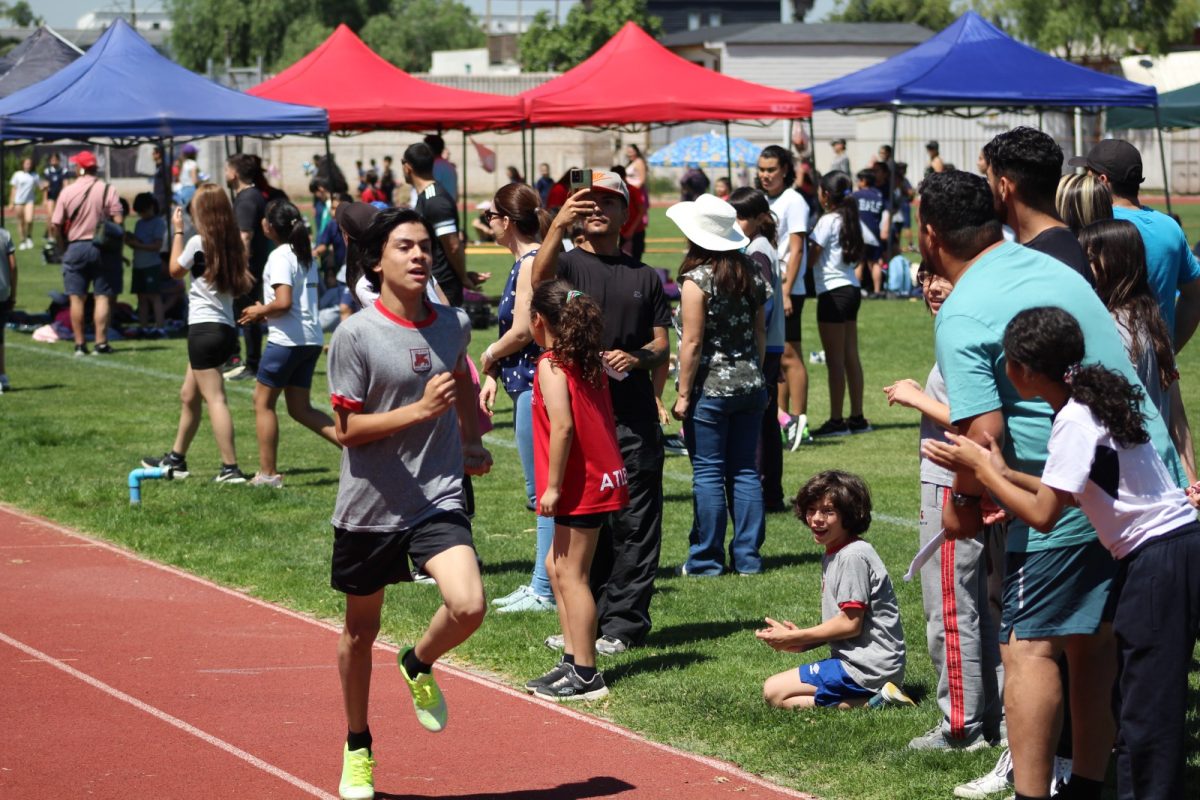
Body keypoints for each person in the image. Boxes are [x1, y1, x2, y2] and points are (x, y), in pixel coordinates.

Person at [918, 169, 1185, 800]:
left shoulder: (962, 309)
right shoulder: (1056, 268)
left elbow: (982, 435)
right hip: (1140, 493)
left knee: (1028, 648)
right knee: (1092, 645)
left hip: (1063, 503)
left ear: (930, 236)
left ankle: (1031, 792)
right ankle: (1088, 784)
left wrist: (964, 502)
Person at [327, 206, 491, 800]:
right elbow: (346, 430)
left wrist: (469, 437)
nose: (420, 255)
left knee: (468, 604)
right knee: (359, 633)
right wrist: (419, 411)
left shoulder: (453, 323)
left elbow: (461, 379)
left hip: (436, 497)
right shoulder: (355, 335)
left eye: (426, 245)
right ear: (376, 261)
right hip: (370, 506)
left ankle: (418, 662)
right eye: (404, 246)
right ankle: (357, 744)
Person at [531, 170, 671, 654]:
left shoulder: (645, 276)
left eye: (609, 202)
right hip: (584, 419)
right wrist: (556, 225)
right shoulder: (566, 264)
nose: (597, 209)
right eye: (588, 201)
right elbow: (538, 284)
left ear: (626, 214)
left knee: (636, 525)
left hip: (633, 419)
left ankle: (623, 626)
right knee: (589, 528)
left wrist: (637, 358)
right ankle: (582, 625)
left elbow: (661, 345)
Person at [883, 267, 1004, 752]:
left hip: (955, 486)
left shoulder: (961, 333)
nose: (931, 287)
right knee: (988, 608)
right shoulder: (982, 323)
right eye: (925, 277)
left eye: (942, 276)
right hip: (987, 483)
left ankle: (960, 727)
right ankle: (997, 721)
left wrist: (915, 397)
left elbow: (972, 421)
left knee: (951, 610)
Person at [524, 279, 630, 700]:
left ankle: (586, 674)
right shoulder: (584, 360)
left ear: (538, 320)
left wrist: (551, 487)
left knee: (572, 575)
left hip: (582, 482)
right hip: (592, 478)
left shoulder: (552, 364)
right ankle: (571, 659)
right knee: (557, 568)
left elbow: (564, 427)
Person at [668, 192, 769, 575]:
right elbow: (760, 331)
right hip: (751, 384)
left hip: (710, 389)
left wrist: (682, 394)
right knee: (744, 470)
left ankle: (706, 559)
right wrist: (756, 372)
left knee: (708, 472)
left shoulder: (697, 280)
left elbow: (692, 343)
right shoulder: (751, 271)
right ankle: (747, 558)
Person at [758, 470, 911, 710]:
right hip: (866, 664)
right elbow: (844, 624)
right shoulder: (837, 551)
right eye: (811, 509)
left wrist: (797, 636)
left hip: (867, 667)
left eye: (828, 511)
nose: (816, 519)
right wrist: (802, 643)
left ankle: (878, 700)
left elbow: (850, 624)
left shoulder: (852, 556)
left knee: (773, 691)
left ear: (849, 515)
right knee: (779, 696)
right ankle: (881, 698)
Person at [478, 184, 557, 614]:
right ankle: (541, 583)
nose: (486, 223)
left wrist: (489, 354)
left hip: (535, 387)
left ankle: (544, 589)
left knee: (542, 492)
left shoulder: (530, 263)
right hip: (525, 384)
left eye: (490, 216)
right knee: (541, 491)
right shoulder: (529, 260)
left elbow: (524, 330)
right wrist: (494, 372)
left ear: (506, 221)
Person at [142, 183, 254, 483]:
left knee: (215, 398)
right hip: (225, 329)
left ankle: (230, 468)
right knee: (188, 395)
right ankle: (176, 459)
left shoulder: (197, 242)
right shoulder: (234, 244)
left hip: (203, 329)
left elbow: (174, 271)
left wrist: (178, 232)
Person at [1078, 219, 1198, 487]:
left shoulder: (1112, 331)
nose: (1083, 269)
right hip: (1161, 472)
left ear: (1111, 264)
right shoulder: (1150, 319)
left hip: (1135, 479)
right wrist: (1190, 480)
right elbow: (1176, 410)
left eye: (1089, 260)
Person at [237, 199, 340, 488]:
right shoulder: (303, 253)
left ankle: (268, 475)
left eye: (264, 218)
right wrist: (265, 312)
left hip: (287, 342)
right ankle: (357, 448)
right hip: (309, 339)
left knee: (262, 402)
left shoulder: (280, 256)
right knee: (300, 409)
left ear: (270, 227)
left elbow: (283, 302)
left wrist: (260, 310)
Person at [1069, 138, 1200, 352]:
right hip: (1158, 363)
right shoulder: (1170, 227)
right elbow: (1195, 296)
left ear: (1102, 180)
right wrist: (1168, 350)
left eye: (1087, 175)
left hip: (1106, 360)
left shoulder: (1097, 225)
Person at [730, 187, 786, 513]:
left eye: (741, 217)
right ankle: (771, 491)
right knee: (765, 419)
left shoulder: (758, 251)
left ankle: (764, 489)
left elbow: (763, 303)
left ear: (758, 218)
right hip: (770, 342)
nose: (736, 223)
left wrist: (752, 337)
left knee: (760, 418)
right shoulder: (759, 246)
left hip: (764, 344)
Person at [981, 127, 1092, 284]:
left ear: (1004, 187)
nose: (986, 188)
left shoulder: (1050, 261)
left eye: (988, 180)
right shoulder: (1060, 248)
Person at [757, 145, 811, 451]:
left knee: (789, 354)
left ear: (785, 170)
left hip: (788, 288)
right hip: (769, 286)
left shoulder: (794, 200)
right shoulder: (763, 200)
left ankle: (800, 421)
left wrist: (787, 291)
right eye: (762, 169)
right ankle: (783, 418)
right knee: (778, 356)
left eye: (771, 169)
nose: (765, 175)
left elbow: (797, 249)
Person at [810, 171, 870, 437]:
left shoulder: (827, 221)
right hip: (851, 289)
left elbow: (811, 257)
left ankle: (836, 421)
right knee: (850, 356)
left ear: (825, 195)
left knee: (834, 360)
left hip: (832, 293)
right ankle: (857, 417)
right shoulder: (851, 218)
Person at [48, 150, 124, 357]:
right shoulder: (108, 189)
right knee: (102, 296)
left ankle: (80, 344)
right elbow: (119, 220)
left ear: (80, 168)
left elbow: (55, 224)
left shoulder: (67, 191)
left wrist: (62, 247)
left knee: (76, 298)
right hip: (103, 248)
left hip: (75, 247)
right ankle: (101, 343)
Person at [403, 142, 473, 307]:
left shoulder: (435, 201)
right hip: (432, 283)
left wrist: (463, 278)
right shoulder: (426, 197)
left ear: (407, 168)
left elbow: (453, 245)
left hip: (442, 287)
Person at [225, 153, 273, 380]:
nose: (225, 173)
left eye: (227, 169)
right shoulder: (252, 196)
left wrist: (242, 268)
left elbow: (245, 236)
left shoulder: (246, 199)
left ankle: (252, 364)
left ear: (234, 174)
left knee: (247, 315)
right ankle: (249, 362)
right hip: (253, 266)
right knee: (246, 314)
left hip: (249, 267)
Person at [126, 192, 167, 329]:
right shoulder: (139, 223)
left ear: (151, 207)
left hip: (151, 265)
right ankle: (143, 327)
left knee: (154, 297)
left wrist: (137, 245)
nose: (142, 215)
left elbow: (157, 246)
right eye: (139, 213)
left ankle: (160, 327)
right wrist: (131, 241)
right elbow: (140, 243)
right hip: (138, 265)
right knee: (141, 298)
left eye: (143, 211)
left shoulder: (158, 223)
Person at [0, 221, 16, 393]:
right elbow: (13, 266)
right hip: (2, 291)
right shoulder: (4, 235)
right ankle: (2, 376)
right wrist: (13, 293)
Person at [9, 156, 37, 250]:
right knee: (20, 222)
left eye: (30, 164)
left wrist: (46, 186)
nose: (28, 165)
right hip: (18, 201)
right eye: (26, 163)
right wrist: (11, 202)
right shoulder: (17, 174)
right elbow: (14, 189)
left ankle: (29, 237)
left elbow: (41, 185)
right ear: (23, 164)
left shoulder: (35, 175)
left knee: (29, 220)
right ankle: (22, 241)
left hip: (29, 201)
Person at [424, 134, 458, 202]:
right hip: (448, 204)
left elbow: (431, 190)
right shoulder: (447, 165)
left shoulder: (435, 166)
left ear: (429, 149)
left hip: (440, 205)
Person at [41, 152, 67, 241]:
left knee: (59, 217)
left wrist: (64, 197)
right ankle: (50, 235)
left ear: (58, 160)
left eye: (55, 159)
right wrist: (44, 199)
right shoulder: (47, 171)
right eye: (52, 160)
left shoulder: (63, 171)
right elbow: (45, 186)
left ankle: (58, 235)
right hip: (50, 197)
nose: (54, 161)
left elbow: (65, 185)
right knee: (50, 216)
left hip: (60, 197)